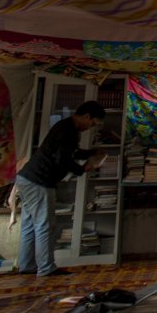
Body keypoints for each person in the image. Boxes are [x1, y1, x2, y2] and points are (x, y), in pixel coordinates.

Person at [16, 101, 107, 276]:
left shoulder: (65, 126)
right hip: (39, 181)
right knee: (44, 225)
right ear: (86, 116)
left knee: (29, 225)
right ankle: (46, 268)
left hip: (26, 178)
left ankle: (26, 265)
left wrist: (90, 153)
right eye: (93, 123)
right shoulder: (69, 131)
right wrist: (82, 169)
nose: (91, 127)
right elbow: (62, 159)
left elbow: (70, 152)